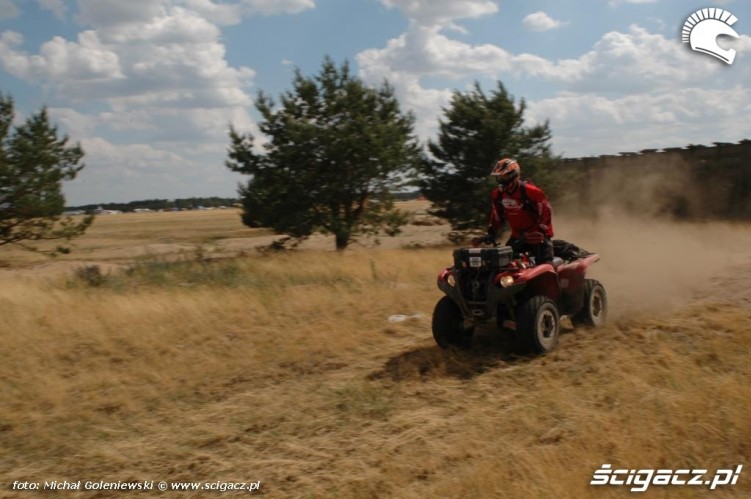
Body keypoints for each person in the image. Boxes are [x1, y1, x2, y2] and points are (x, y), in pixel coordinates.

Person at [472, 157, 554, 263]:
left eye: (504, 177)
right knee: (503, 265)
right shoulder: (497, 194)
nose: (501, 180)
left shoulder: (532, 191)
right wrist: (490, 234)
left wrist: (540, 232)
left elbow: (546, 212)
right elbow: (497, 216)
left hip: (538, 238)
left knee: (545, 269)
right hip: (517, 238)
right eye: (499, 177)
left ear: (513, 176)